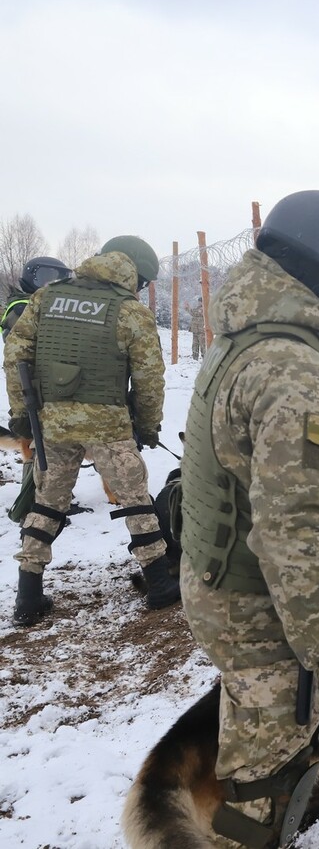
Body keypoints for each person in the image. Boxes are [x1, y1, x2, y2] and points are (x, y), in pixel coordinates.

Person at [178, 190, 319, 844]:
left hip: (223, 583)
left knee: (251, 743)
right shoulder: (297, 372)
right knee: (263, 781)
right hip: (259, 609)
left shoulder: (248, 336)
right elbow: (294, 539)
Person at [5, 236, 180, 625]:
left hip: (53, 422)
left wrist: (22, 414)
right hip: (109, 424)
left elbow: (16, 354)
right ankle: (160, 586)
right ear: (134, 273)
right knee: (136, 501)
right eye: (143, 282)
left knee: (46, 503)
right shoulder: (130, 312)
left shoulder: (47, 298)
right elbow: (149, 377)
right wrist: (148, 427)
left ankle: (28, 595)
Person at [2, 257, 71, 339]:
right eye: (46, 280)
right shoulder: (23, 309)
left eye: (57, 281)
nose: (52, 285)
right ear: (31, 278)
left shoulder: (49, 305)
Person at [188, 296, 207, 361]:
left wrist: (188, 308)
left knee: (203, 345)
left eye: (200, 302)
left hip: (201, 330)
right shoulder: (198, 308)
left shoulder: (205, 308)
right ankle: (195, 357)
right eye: (199, 302)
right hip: (195, 329)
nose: (199, 303)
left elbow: (194, 312)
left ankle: (205, 357)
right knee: (195, 344)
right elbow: (193, 312)